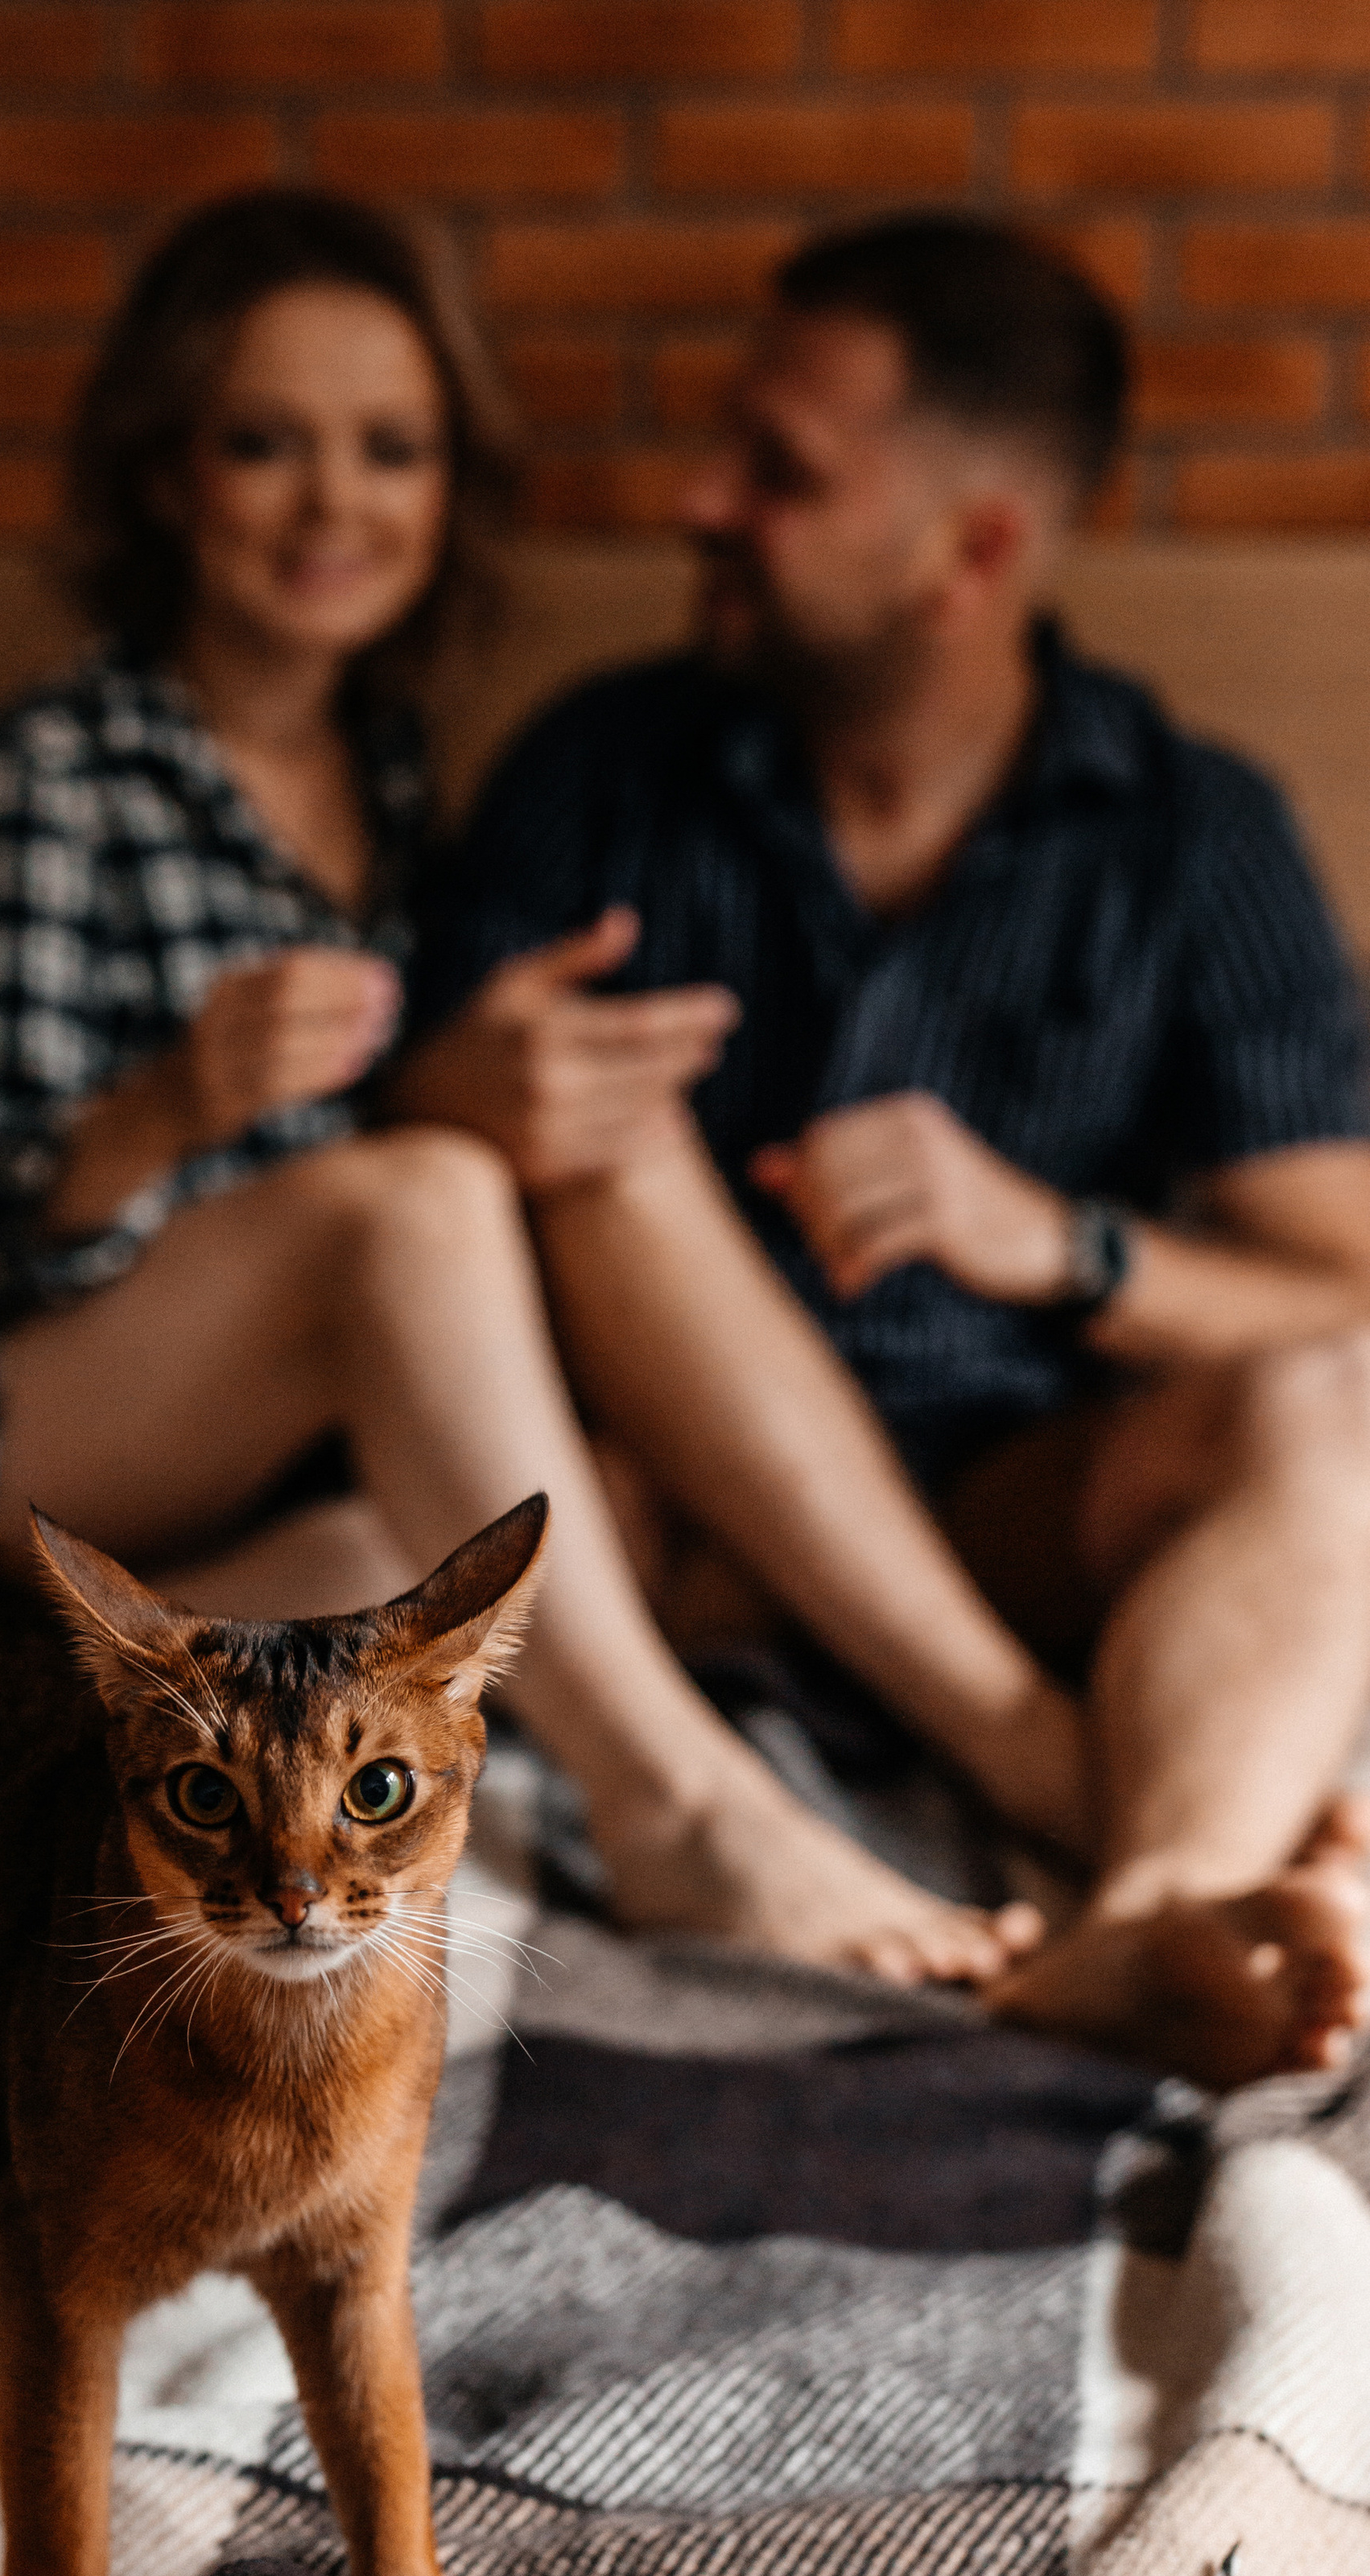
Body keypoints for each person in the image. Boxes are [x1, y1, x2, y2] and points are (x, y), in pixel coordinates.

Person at [0, 187, 1041, 1984]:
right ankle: (680, 1808)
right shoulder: (57, 773)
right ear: (165, 476)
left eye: (392, 451)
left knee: (550, 1517)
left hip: (231, 1470)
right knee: (417, 1203)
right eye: (264, 444)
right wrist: (164, 1110)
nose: (334, 504)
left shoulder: (398, 779)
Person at [402, 212, 1370, 2086]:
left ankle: (1145, 1913)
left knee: (1330, 1403)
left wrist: (1062, 1247)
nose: (697, 502)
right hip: (665, 1516)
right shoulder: (596, 771)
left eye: (775, 472)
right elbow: (389, 1190)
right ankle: (1042, 1766)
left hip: (1016, 1503)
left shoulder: (1194, 836)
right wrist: (464, 1085)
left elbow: (1341, 1288)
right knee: (590, 1125)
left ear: (970, 553)